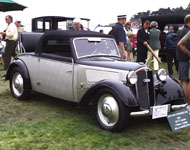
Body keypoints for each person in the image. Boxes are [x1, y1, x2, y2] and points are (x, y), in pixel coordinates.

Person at [176, 14, 190, 108]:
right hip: (185, 58)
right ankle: (187, 103)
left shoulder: (182, 30)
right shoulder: (187, 31)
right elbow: (181, 44)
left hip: (181, 58)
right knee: (186, 81)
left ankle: (178, 99)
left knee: (180, 80)